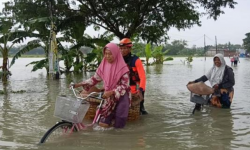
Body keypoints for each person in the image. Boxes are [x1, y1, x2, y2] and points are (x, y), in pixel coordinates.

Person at [73, 43, 130, 128]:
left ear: (115, 53)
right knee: (102, 123)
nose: (107, 56)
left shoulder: (123, 68)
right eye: (106, 54)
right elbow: (94, 79)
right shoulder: (103, 65)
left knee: (119, 124)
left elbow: (124, 86)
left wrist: (112, 92)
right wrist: (79, 84)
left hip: (121, 96)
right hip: (107, 96)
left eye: (110, 54)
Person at [119, 38, 148, 115]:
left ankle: (141, 109)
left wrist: (141, 90)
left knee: (139, 107)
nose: (122, 50)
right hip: (123, 84)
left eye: (124, 48)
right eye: (121, 48)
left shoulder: (135, 60)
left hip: (135, 84)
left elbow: (143, 77)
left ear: (129, 48)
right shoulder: (118, 59)